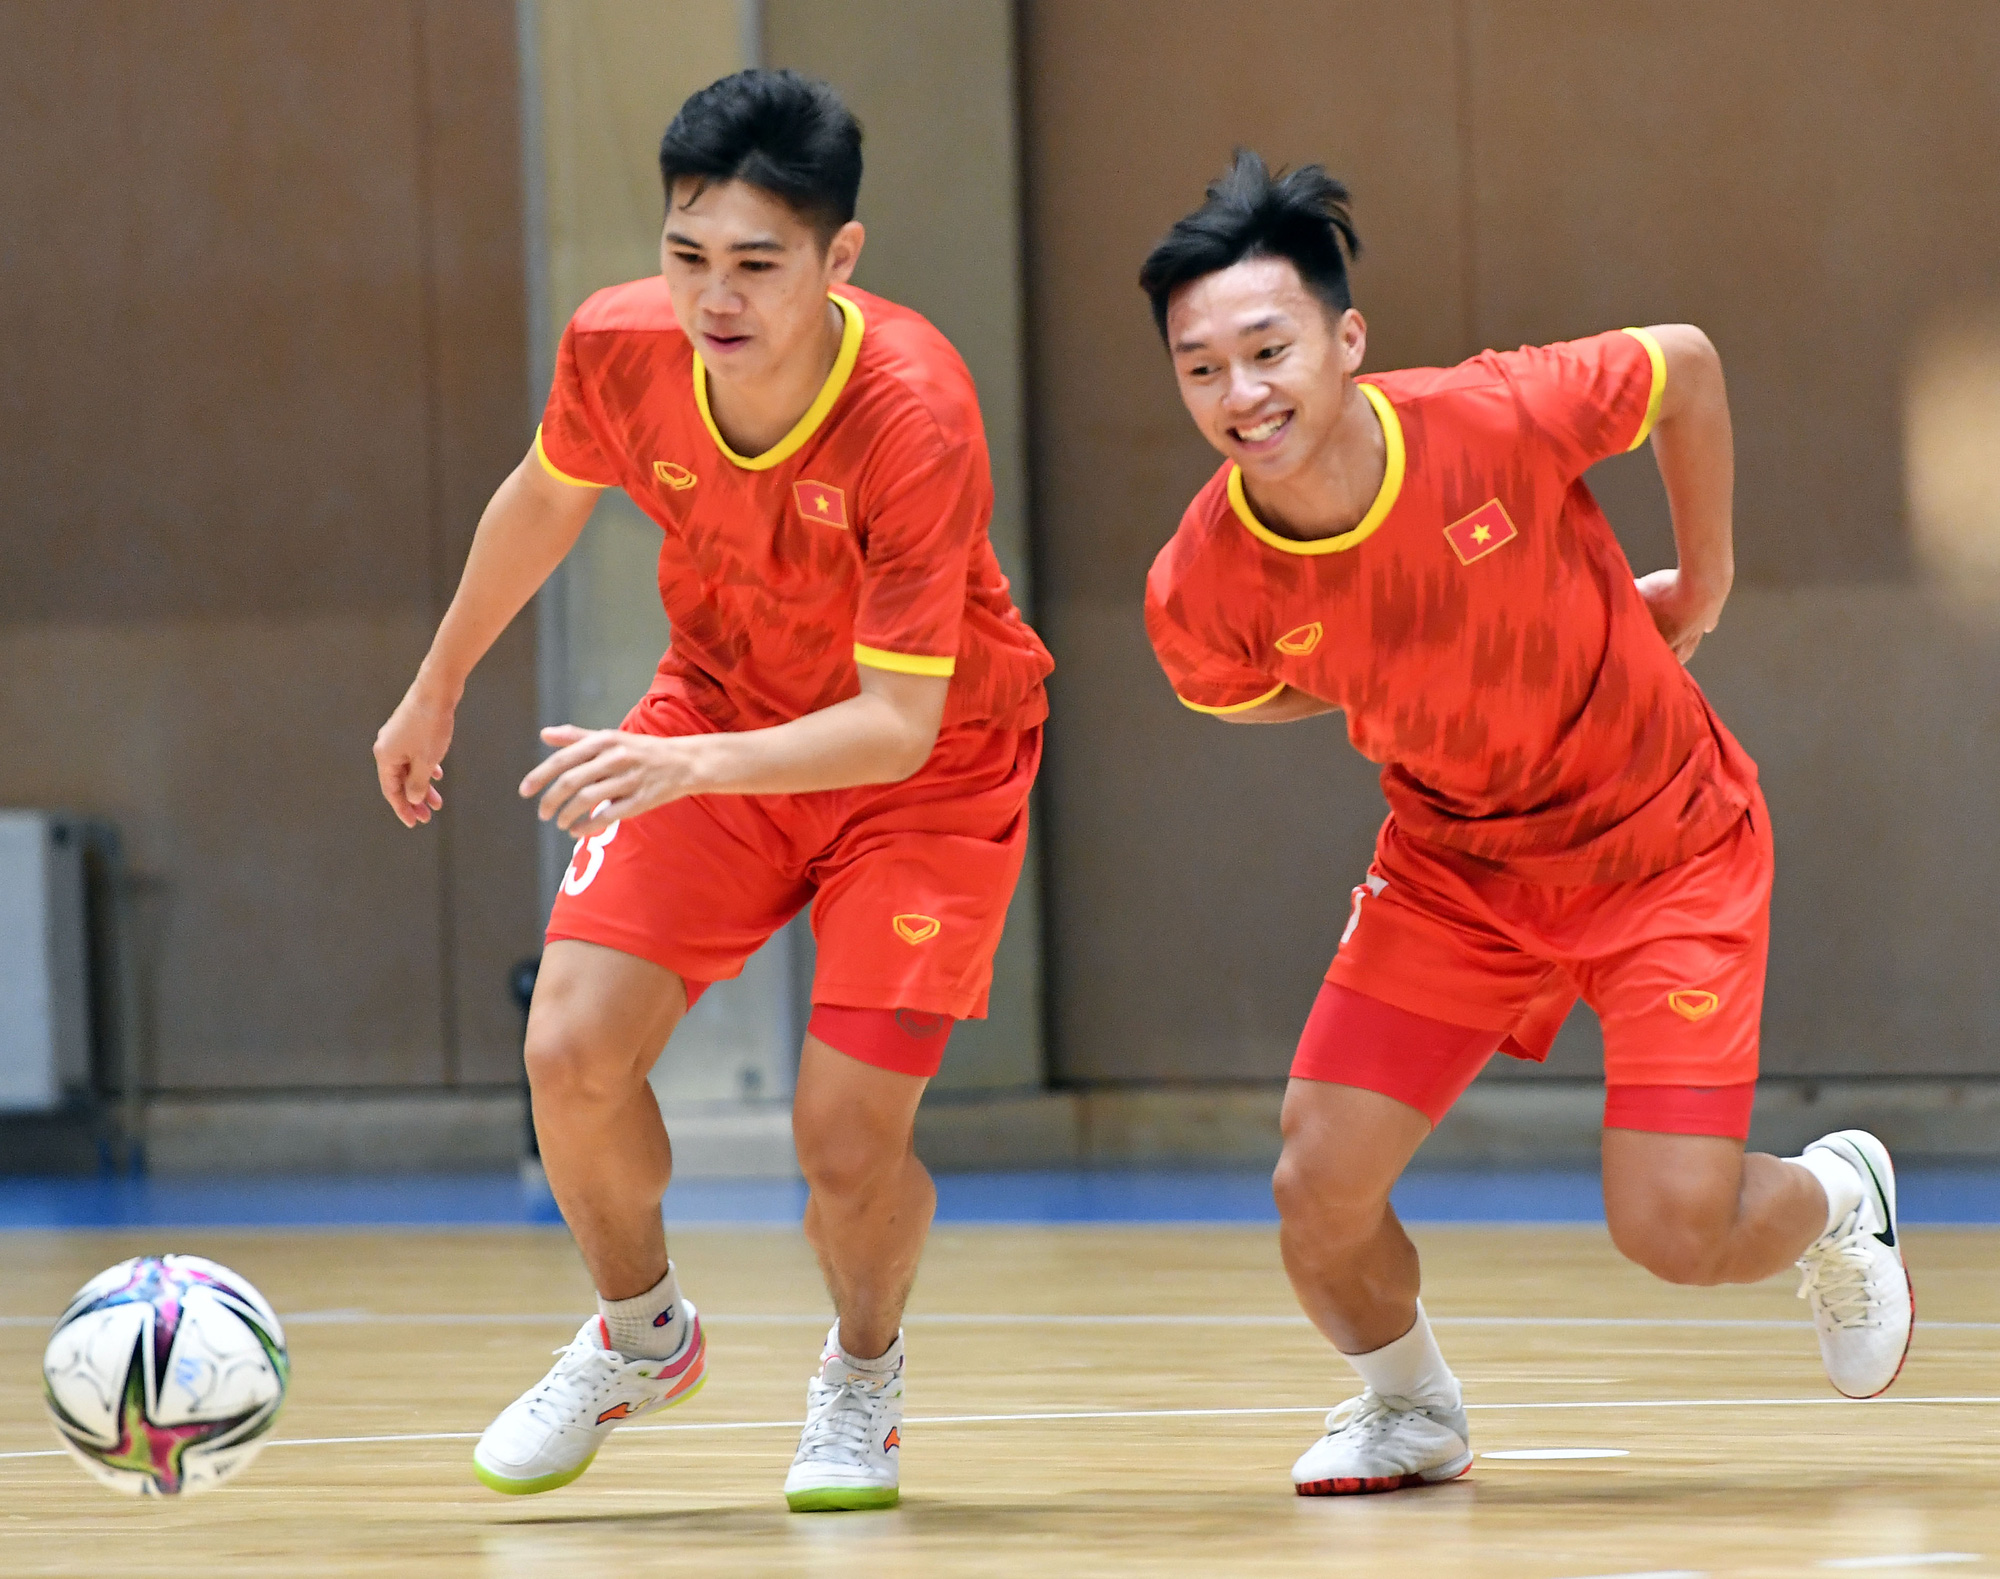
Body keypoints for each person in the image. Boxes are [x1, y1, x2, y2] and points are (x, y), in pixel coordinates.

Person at [1138, 151, 1912, 1496]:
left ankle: (1841, 1195)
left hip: (1665, 847)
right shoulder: (1205, 581)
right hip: (1453, 874)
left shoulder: (1493, 417)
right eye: (1201, 368)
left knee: (1678, 1230)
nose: (1240, 394)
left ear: (1346, 339)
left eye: (1268, 350)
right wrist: (1394, 685)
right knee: (1317, 1189)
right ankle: (1410, 1408)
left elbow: (1685, 362)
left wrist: (1708, 581)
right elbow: (1242, 693)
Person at [371, 68, 1050, 1511]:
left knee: (843, 1141)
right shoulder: (619, 344)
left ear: (837, 259)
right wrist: (438, 684)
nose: (712, 298)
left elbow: (893, 723)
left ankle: (862, 1373)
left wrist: (681, 765)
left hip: (925, 767)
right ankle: (639, 1338)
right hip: (725, 714)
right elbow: (546, 492)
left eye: (756, 264)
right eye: (687, 256)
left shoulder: (912, 414)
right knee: (569, 1053)